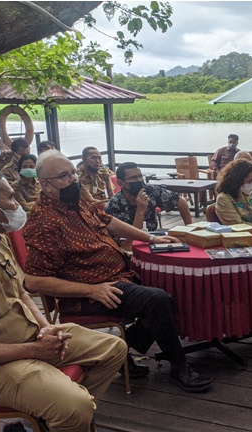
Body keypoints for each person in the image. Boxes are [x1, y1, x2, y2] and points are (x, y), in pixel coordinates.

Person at [0, 167, 127, 432]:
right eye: (10, 197)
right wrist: (35, 351)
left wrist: (46, 328)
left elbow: (19, 292)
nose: (17, 204)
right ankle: (61, 416)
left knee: (113, 348)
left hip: (28, 339)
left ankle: (44, 423)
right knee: (76, 406)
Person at [23, 150, 213, 392]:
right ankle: (179, 366)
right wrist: (91, 290)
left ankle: (120, 350)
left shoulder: (74, 201)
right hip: (89, 294)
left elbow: (108, 221)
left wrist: (150, 238)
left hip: (117, 276)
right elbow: (34, 282)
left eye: (73, 173)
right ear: (44, 184)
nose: (73, 179)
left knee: (170, 286)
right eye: (64, 176)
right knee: (157, 300)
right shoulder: (44, 222)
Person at [105, 161, 193, 247]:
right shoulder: (113, 207)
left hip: (155, 239)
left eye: (140, 176)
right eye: (133, 178)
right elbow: (129, 244)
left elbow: (180, 201)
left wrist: (189, 229)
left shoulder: (149, 190)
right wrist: (140, 211)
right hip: (129, 247)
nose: (139, 180)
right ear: (120, 183)